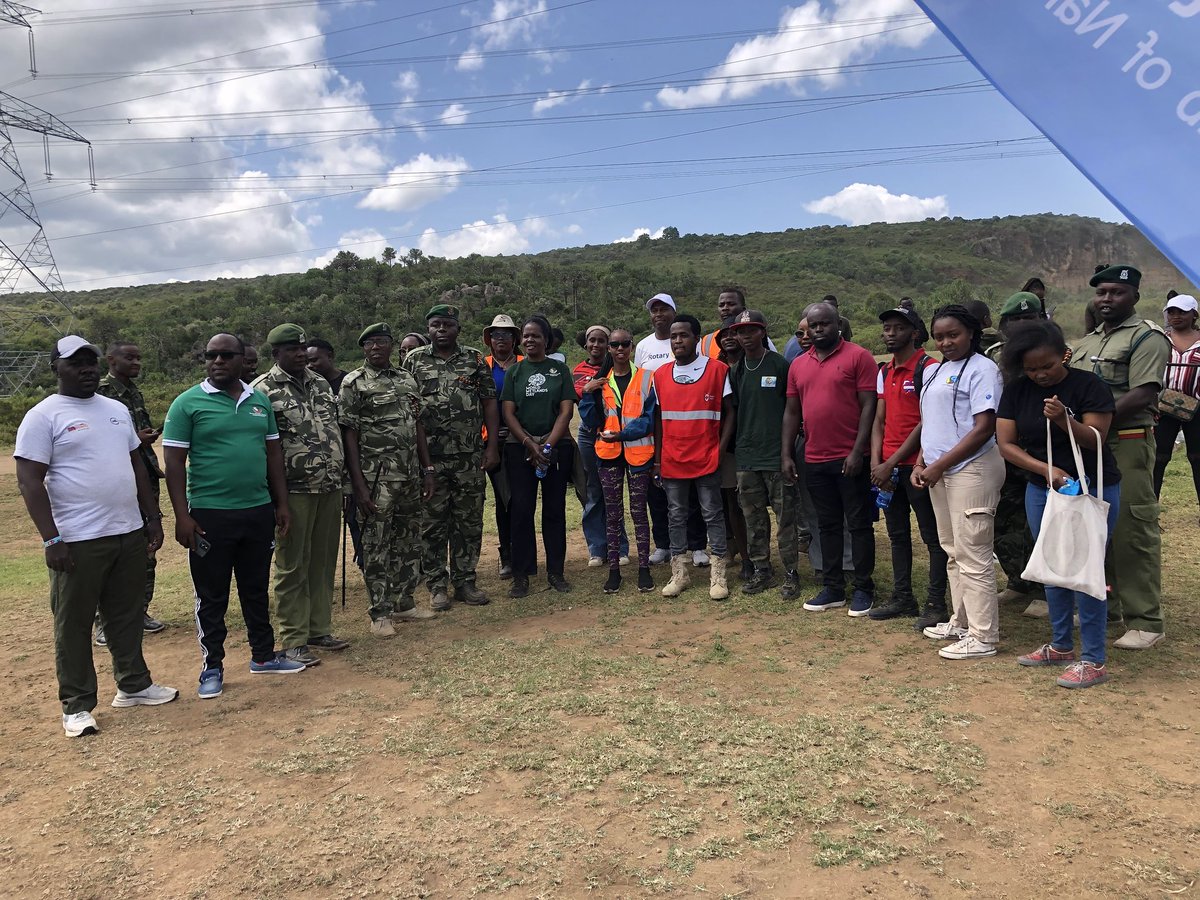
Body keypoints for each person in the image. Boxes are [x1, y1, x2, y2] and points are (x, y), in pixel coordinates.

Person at [15, 336, 178, 738]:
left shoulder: (115, 409)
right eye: (76, 363)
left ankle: (134, 685)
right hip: (78, 539)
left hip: (127, 531)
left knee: (125, 615)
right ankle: (76, 705)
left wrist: (152, 516)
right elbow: (29, 481)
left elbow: (135, 466)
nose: (86, 369)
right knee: (74, 623)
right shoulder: (43, 416)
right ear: (56, 367)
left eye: (90, 361)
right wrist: (52, 539)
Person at [163, 333, 305, 699]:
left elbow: (273, 456)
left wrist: (281, 504)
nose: (218, 361)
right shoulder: (187, 404)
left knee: (256, 589)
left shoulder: (258, 401)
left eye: (227, 355)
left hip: (257, 511)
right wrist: (182, 515)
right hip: (210, 515)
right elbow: (174, 464)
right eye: (212, 355)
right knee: (212, 596)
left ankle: (263, 656)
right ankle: (212, 667)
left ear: (243, 359)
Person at [996, 322, 1121, 688]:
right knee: (1053, 563)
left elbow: (1097, 439)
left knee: (1085, 568)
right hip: (1043, 489)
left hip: (1093, 486)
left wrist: (1065, 419)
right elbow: (1006, 443)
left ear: (1063, 354)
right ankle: (1062, 645)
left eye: (1046, 366)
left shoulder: (1088, 386)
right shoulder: (1018, 390)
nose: (1039, 375)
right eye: (1031, 369)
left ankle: (1094, 659)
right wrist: (1046, 470)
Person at [1068, 264, 1170, 650]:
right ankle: (1104, 605)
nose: (1107, 299)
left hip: (1125, 441)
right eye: (1101, 293)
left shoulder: (1147, 338)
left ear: (1135, 297)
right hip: (1087, 445)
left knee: (1131, 529)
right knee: (1093, 527)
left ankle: (1145, 619)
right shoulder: (1086, 343)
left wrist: (1096, 425)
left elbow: (1143, 393)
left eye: (1116, 292)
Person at [250, 324, 350, 666]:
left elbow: (333, 429)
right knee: (292, 565)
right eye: (291, 348)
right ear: (275, 353)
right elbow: (261, 447)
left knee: (323, 562)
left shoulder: (320, 383)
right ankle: (294, 638)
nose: (300, 353)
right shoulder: (262, 390)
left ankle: (319, 628)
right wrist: (275, 500)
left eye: (302, 347)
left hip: (329, 485)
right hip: (293, 491)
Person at [911, 305, 1005, 660]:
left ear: (971, 334)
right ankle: (962, 622)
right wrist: (922, 461)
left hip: (972, 468)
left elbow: (983, 428)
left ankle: (984, 637)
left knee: (974, 554)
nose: (946, 342)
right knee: (952, 550)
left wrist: (940, 465)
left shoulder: (983, 369)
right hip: (938, 470)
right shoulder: (937, 371)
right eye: (939, 336)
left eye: (953, 335)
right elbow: (931, 423)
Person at [340, 323, 436, 636]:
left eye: (382, 342)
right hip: (375, 479)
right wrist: (358, 485)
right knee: (375, 545)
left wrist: (427, 469)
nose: (376, 348)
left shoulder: (407, 378)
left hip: (409, 475)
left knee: (409, 541)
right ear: (363, 349)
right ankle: (379, 613)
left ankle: (403, 602)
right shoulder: (354, 383)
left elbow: (417, 424)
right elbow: (349, 434)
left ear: (391, 345)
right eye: (370, 344)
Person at [782, 302, 877, 615]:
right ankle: (833, 587)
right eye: (814, 325)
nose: (818, 329)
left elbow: (868, 407)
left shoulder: (859, 357)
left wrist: (857, 451)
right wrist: (787, 454)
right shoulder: (798, 364)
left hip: (850, 459)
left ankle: (864, 588)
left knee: (859, 524)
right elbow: (792, 412)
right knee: (827, 524)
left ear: (838, 324)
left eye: (825, 324)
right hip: (815, 458)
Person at [403, 304, 499, 610]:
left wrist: (492, 446)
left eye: (447, 324)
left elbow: (488, 404)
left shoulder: (473, 359)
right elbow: (408, 409)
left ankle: (465, 581)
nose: (441, 329)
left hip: (469, 456)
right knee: (432, 523)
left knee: (468, 521)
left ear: (458, 328)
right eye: (435, 324)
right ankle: (436, 585)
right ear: (428, 329)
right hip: (430, 459)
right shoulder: (414, 361)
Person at [868, 307, 948, 627]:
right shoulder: (884, 371)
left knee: (932, 537)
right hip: (888, 469)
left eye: (898, 328)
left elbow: (925, 422)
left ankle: (936, 603)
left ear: (914, 332)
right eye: (886, 328)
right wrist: (876, 463)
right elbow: (879, 419)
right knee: (898, 535)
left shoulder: (928, 369)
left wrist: (890, 462)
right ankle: (903, 598)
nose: (890, 334)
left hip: (917, 467)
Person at [653, 314, 734, 600]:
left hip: (707, 457)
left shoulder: (717, 370)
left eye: (684, 335)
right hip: (673, 459)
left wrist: (720, 450)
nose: (678, 340)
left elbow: (730, 413)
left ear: (696, 339)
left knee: (712, 514)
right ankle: (680, 574)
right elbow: (659, 420)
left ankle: (718, 575)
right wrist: (659, 459)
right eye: (674, 336)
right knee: (675, 516)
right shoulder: (660, 375)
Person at [500, 315, 578, 597]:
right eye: (526, 336)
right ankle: (521, 575)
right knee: (521, 510)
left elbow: (566, 411)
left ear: (547, 340)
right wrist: (528, 443)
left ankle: (556, 572)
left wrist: (546, 446)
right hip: (519, 448)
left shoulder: (559, 370)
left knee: (554, 511)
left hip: (555, 448)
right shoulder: (514, 373)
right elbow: (508, 412)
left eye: (536, 335)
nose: (530, 340)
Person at [728, 310, 802, 600]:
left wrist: (787, 452)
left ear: (763, 332)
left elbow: (792, 411)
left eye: (751, 330)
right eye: (740, 331)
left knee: (786, 518)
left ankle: (792, 573)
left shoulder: (780, 366)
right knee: (753, 518)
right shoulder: (736, 370)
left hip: (776, 454)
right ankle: (762, 570)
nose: (745, 336)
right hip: (747, 457)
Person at [95, 340, 166, 641]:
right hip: (115, 480)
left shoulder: (133, 391)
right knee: (113, 551)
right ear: (111, 359)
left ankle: (139, 611)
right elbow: (93, 439)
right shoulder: (100, 393)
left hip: (144, 477)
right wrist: (134, 438)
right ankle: (104, 622)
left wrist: (144, 439)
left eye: (139, 357)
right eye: (129, 357)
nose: (136, 362)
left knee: (146, 549)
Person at [578, 327, 656, 593]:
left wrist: (622, 434)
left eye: (625, 344)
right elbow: (590, 422)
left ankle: (644, 567)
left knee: (638, 512)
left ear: (632, 347)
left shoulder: (647, 379)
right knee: (612, 514)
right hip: (608, 455)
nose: (620, 349)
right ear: (609, 349)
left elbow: (649, 420)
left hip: (638, 455)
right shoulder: (600, 382)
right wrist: (587, 394)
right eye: (615, 345)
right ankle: (614, 571)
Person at [985, 292, 1049, 614]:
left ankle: (1045, 591)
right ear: (1005, 324)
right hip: (1004, 449)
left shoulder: (1057, 353)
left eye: (1030, 318)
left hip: (1043, 449)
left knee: (1042, 523)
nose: (1023, 325)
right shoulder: (993, 355)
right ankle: (1018, 581)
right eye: (1016, 320)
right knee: (1006, 519)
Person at [635, 293, 708, 566]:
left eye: (664, 309)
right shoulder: (643, 346)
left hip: (686, 424)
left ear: (674, 313)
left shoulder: (685, 339)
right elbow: (641, 386)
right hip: (654, 424)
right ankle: (663, 544)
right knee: (657, 488)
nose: (658, 314)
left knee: (689, 489)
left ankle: (697, 544)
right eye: (654, 310)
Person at [572, 324, 629, 567]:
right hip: (588, 435)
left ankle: (621, 547)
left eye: (601, 341)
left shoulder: (617, 367)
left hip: (614, 433)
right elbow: (578, 395)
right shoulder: (578, 371)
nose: (596, 345)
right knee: (593, 491)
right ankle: (597, 548)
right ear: (585, 344)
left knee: (614, 491)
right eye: (591, 340)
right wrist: (588, 387)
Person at [483, 314, 522, 578]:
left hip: (522, 440)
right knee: (503, 499)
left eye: (506, 335)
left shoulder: (524, 363)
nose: (501, 339)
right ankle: (506, 554)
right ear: (489, 340)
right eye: (496, 335)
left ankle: (523, 550)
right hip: (492, 442)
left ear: (514, 339)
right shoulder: (482, 365)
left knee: (522, 499)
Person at [1153, 294, 1200, 506]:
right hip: (1162, 407)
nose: (1176, 316)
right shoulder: (1158, 339)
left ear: (1194, 315)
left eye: (1182, 311)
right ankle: (1150, 510)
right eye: (1171, 311)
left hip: (1197, 407)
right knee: (1158, 458)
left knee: (1197, 458)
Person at [714, 323, 751, 581]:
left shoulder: (753, 364)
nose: (728, 338)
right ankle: (738, 550)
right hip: (726, 446)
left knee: (749, 505)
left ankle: (754, 556)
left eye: (733, 334)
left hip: (751, 444)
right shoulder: (717, 369)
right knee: (730, 504)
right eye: (723, 335)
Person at [699, 288, 776, 357]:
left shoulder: (758, 338)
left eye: (731, 304)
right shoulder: (707, 341)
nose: (725, 308)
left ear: (743, 309)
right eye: (721, 305)